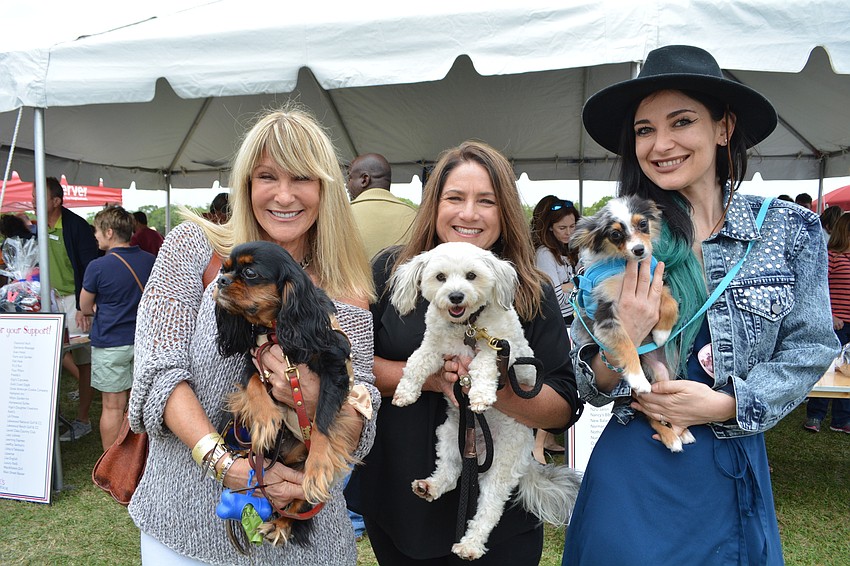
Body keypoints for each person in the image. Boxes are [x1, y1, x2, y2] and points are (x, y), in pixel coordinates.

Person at [563, 45, 839, 565]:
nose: (660, 144)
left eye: (681, 122)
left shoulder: (787, 229)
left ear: (723, 127)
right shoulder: (613, 238)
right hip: (631, 471)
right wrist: (625, 329)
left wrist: (730, 403)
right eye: (644, 130)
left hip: (729, 460)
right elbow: (585, 383)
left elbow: (811, 345)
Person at [127, 106, 379, 565]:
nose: (284, 195)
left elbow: (364, 410)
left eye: (301, 177)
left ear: (325, 189)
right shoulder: (193, 249)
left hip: (305, 537)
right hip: (185, 524)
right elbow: (157, 375)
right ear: (246, 185)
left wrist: (309, 472)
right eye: (267, 176)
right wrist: (226, 466)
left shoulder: (348, 290)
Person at [345, 140, 582, 564]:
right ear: (434, 204)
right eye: (455, 197)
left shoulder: (529, 289)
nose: (468, 213)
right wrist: (435, 379)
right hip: (401, 497)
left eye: (486, 201)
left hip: (499, 513)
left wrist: (498, 389)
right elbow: (354, 366)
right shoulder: (391, 272)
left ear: (504, 210)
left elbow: (563, 405)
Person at [80, 206, 155, 451]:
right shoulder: (150, 260)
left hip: (110, 343)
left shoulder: (97, 266)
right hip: (144, 343)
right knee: (142, 403)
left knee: (113, 406)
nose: (95, 235)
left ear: (110, 232)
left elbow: (85, 305)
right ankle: (142, 459)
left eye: (98, 231)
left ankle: (112, 464)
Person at [32, 177, 100, 442]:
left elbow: (90, 267)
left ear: (55, 201)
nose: (33, 201)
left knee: (83, 360)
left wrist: (85, 306)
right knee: (49, 359)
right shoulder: (38, 227)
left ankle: (83, 420)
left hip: (75, 301)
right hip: (47, 300)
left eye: (39, 196)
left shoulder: (77, 227)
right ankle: (51, 417)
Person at [529, 196, 580, 463]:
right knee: (553, 382)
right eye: (563, 228)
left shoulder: (563, 252)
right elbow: (557, 297)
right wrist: (575, 289)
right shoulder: (545, 254)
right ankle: (538, 447)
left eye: (573, 227)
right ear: (549, 228)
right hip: (555, 325)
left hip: (568, 323)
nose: (569, 233)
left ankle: (547, 439)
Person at [804, 212, 850, 434]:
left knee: (848, 374)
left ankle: (841, 419)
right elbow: (817, 288)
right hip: (835, 324)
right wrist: (830, 316)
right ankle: (815, 414)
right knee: (826, 370)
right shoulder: (831, 256)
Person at [346, 153, 417, 260]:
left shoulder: (342, 215)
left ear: (364, 180)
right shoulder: (416, 217)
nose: (347, 185)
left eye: (350, 178)